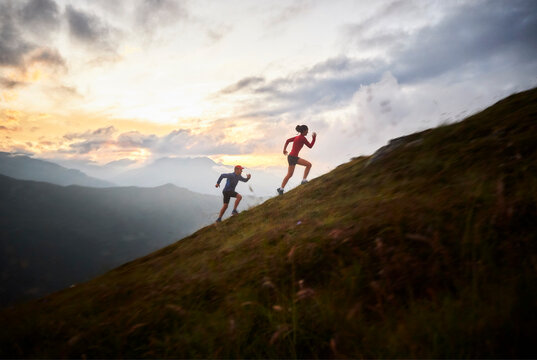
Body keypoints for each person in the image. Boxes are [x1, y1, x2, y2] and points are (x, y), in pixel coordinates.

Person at [277, 125, 316, 195]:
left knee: (289, 174)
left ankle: (281, 189)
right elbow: (310, 146)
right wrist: (314, 138)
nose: (308, 132)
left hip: (291, 157)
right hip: (293, 157)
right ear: (304, 131)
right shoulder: (302, 138)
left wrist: (284, 150)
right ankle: (304, 180)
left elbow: (287, 141)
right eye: (307, 130)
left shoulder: (297, 137)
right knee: (309, 165)